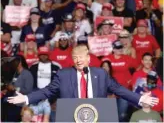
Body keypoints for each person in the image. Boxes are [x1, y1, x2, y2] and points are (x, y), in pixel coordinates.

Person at [7, 45, 159, 113]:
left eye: (81, 57)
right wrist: (27, 98)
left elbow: (119, 89)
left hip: (98, 115)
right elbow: (47, 91)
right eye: (75, 58)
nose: (78, 60)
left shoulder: (101, 74)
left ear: (88, 58)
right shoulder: (63, 74)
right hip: (71, 115)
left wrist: (139, 99)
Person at [103, 40, 138, 121]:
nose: (120, 50)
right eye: (118, 48)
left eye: (121, 48)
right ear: (113, 49)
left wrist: (132, 79)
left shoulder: (127, 58)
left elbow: (138, 67)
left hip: (124, 90)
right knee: (110, 115)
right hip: (111, 90)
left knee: (122, 115)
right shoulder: (106, 58)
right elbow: (101, 70)